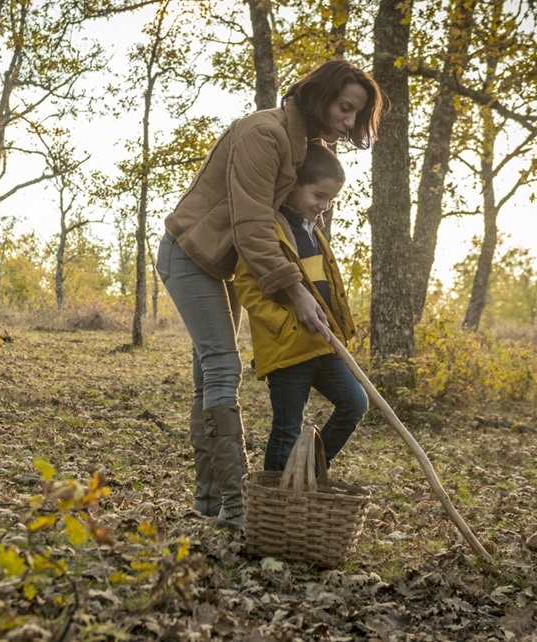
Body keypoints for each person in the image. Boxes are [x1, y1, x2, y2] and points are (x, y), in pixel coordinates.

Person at [156, 59, 383, 530]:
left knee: (207, 378)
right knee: (222, 366)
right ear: (321, 96)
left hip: (227, 263)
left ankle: (207, 502)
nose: (348, 123)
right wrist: (295, 290)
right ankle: (240, 509)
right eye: (345, 109)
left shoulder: (303, 147)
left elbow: (283, 220)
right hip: (191, 252)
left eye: (355, 116)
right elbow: (252, 223)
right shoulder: (266, 133)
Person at [233, 140, 368, 472]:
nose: (324, 206)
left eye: (330, 200)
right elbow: (246, 287)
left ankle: (309, 469)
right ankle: (277, 502)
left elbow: (326, 289)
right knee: (287, 429)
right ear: (292, 186)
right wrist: (285, 322)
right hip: (288, 347)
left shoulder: (313, 232)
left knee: (355, 402)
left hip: (323, 343)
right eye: (318, 196)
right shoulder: (270, 232)